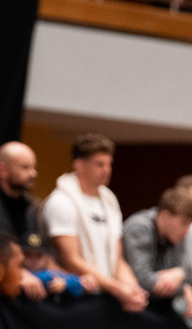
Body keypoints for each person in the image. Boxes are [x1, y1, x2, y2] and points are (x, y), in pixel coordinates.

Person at [39, 133, 148, 313]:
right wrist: (117, 289)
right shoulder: (61, 202)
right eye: (99, 164)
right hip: (72, 300)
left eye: (109, 164)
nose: (107, 170)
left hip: (105, 294)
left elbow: (117, 258)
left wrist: (132, 289)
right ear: (79, 165)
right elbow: (71, 260)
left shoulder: (110, 201)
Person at [123, 186, 192, 321]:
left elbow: (191, 272)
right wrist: (183, 289)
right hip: (127, 309)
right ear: (165, 215)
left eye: (190, 224)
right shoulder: (140, 227)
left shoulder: (176, 234)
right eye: (184, 223)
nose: (187, 230)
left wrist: (179, 273)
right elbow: (142, 280)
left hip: (153, 307)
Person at [0, 141, 46, 300]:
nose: (33, 174)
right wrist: (20, 274)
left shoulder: (33, 208)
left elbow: (40, 252)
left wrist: (68, 276)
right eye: (25, 167)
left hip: (29, 287)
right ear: (3, 170)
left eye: (34, 167)